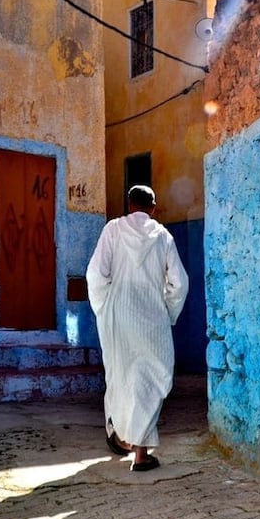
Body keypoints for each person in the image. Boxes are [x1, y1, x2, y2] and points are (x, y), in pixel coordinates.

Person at [86, 185, 189, 471]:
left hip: (119, 315)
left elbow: (95, 274)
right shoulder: (163, 237)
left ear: (129, 205)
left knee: (121, 375)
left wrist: (104, 307)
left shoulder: (113, 230)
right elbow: (179, 283)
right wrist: (168, 312)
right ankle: (140, 452)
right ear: (153, 208)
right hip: (153, 318)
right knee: (153, 380)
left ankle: (122, 434)